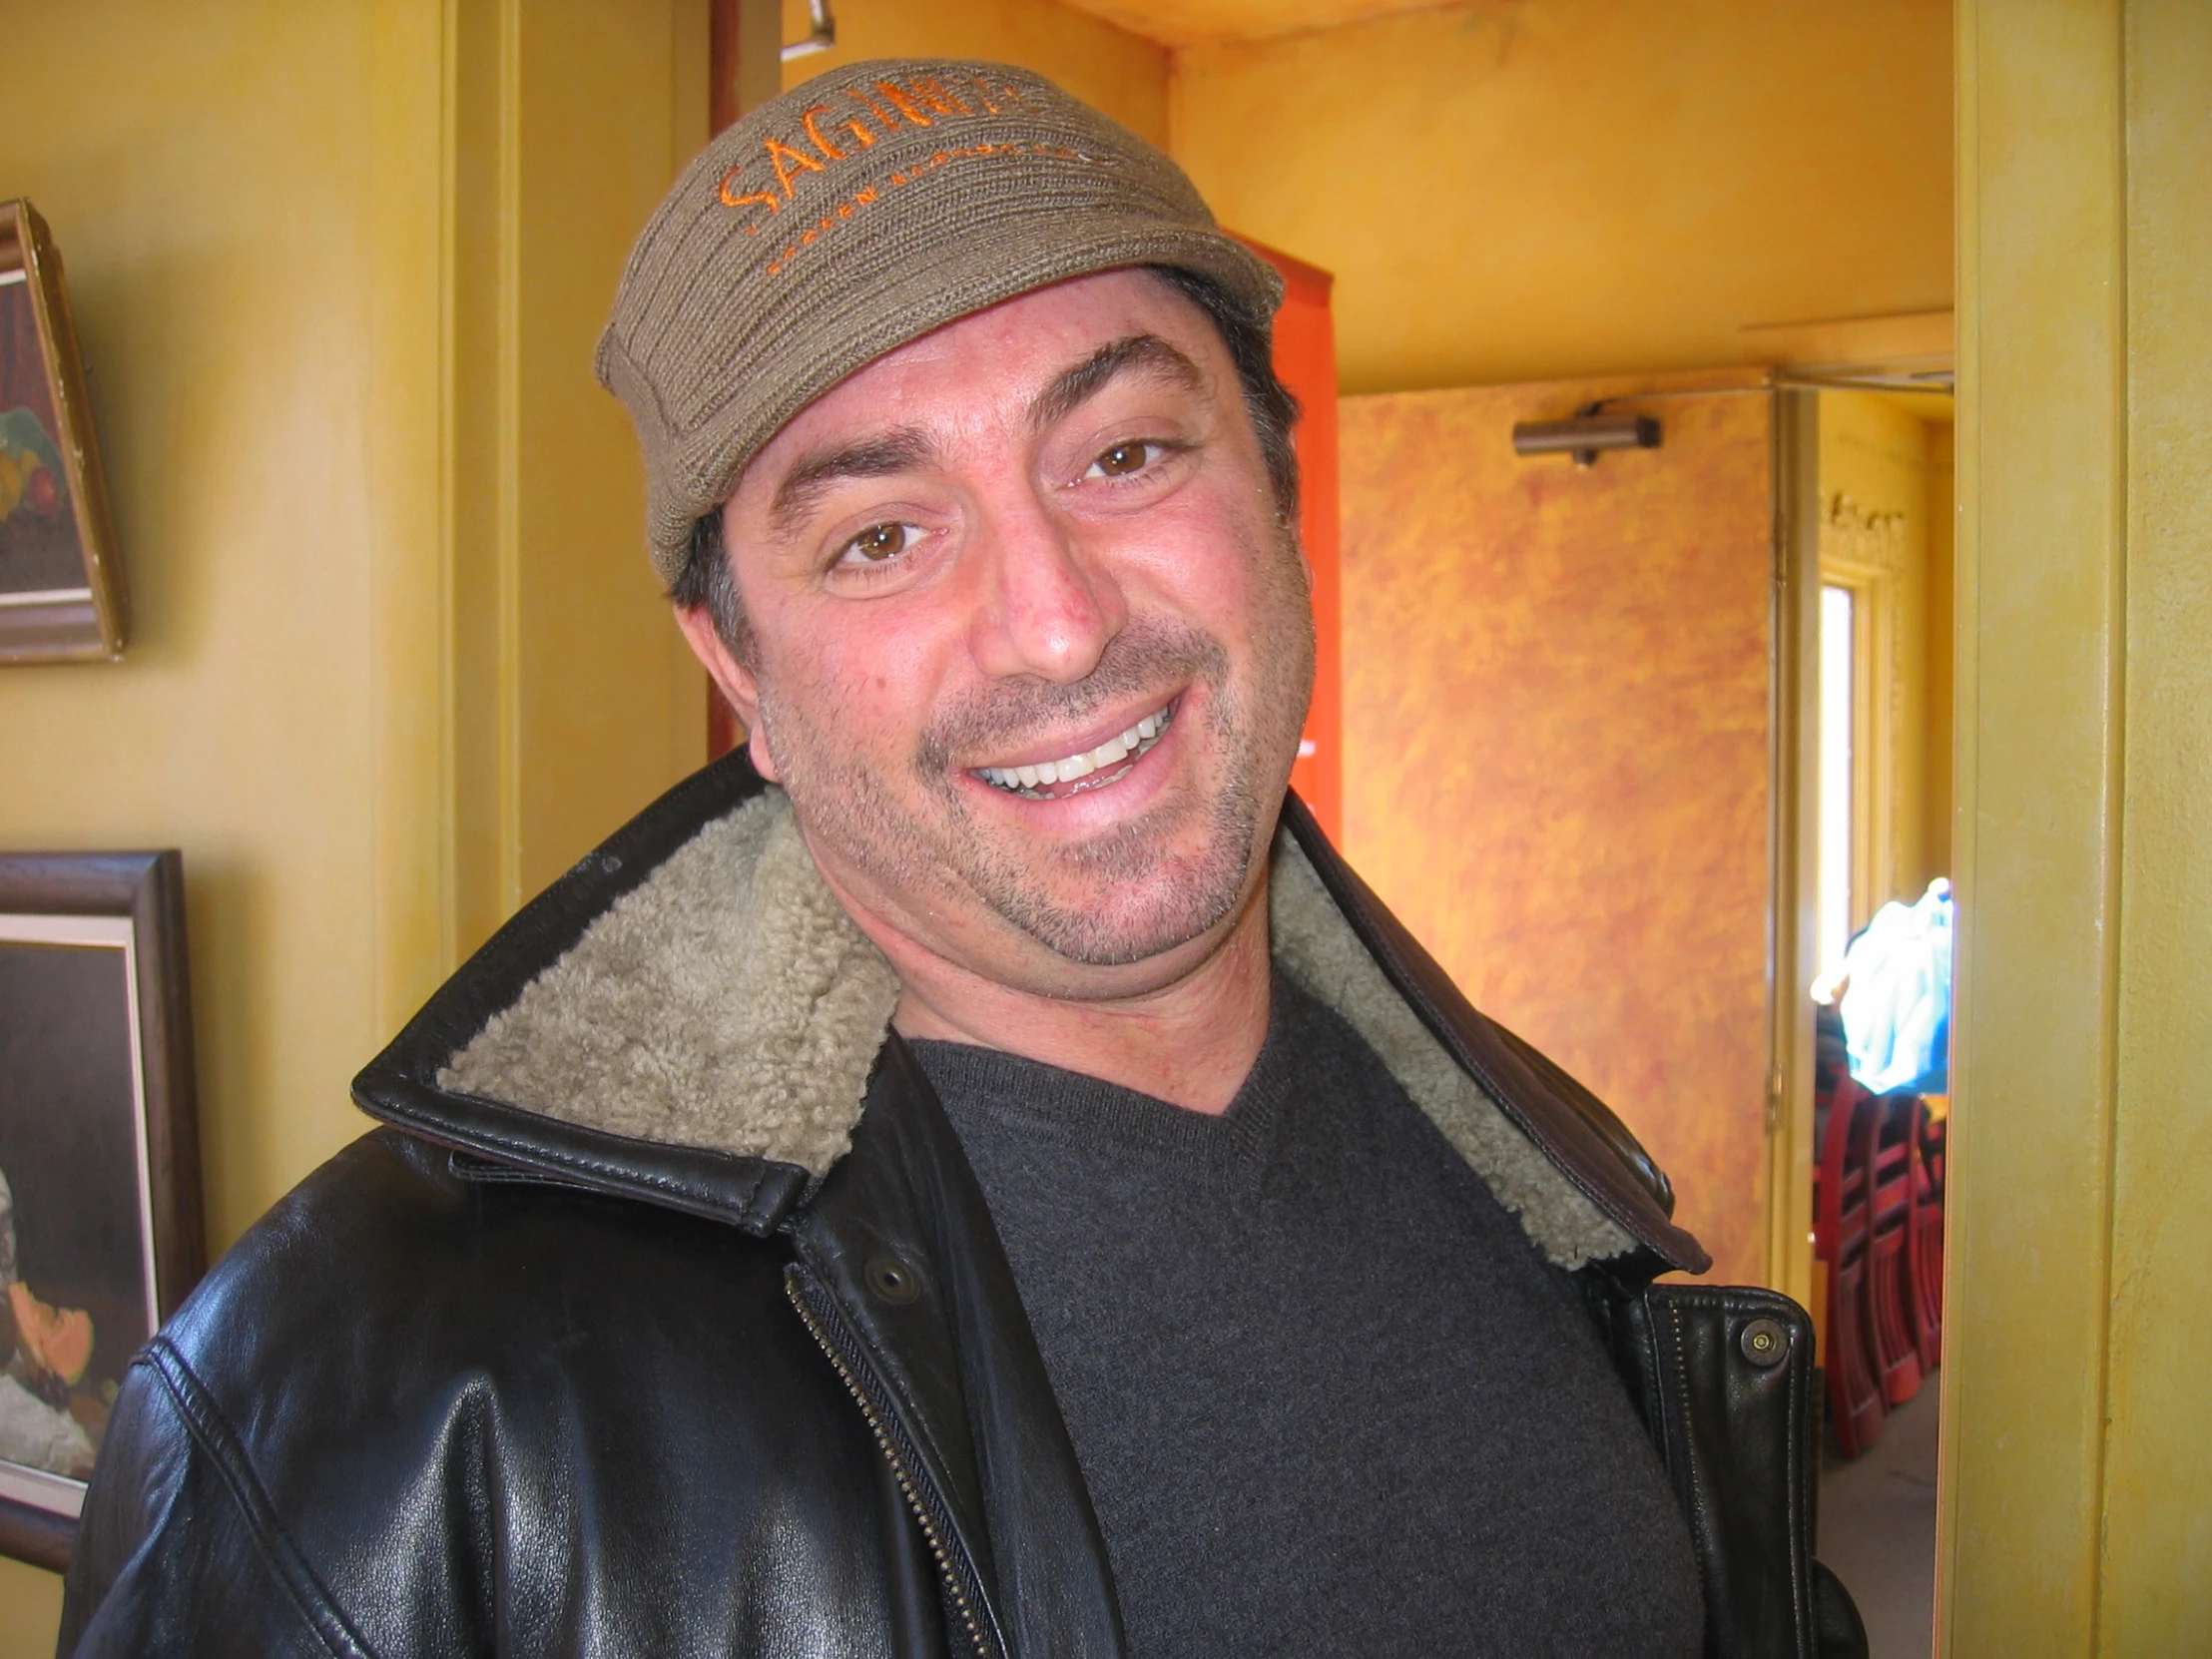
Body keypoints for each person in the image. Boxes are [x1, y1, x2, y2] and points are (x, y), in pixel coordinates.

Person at [60, 60, 1861, 1659]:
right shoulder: (357, 1417)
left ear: (1278, 494)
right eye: (881, 537)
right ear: (736, 670)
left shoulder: (1533, 1153)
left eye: (1128, 449)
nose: (1060, 624)